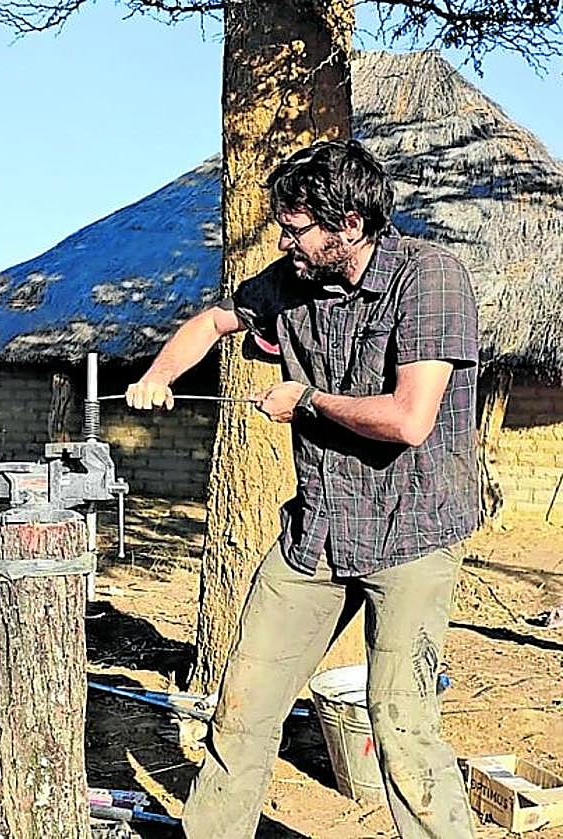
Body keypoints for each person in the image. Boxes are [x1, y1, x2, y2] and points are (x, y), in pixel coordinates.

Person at [127, 140, 479, 838]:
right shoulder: (291, 281)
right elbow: (213, 322)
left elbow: (410, 420)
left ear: (349, 225)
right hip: (315, 531)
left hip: (411, 532)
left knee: (401, 725)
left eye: (296, 228)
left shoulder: (430, 278)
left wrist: (308, 401)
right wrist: (161, 374)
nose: (284, 240)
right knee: (243, 707)